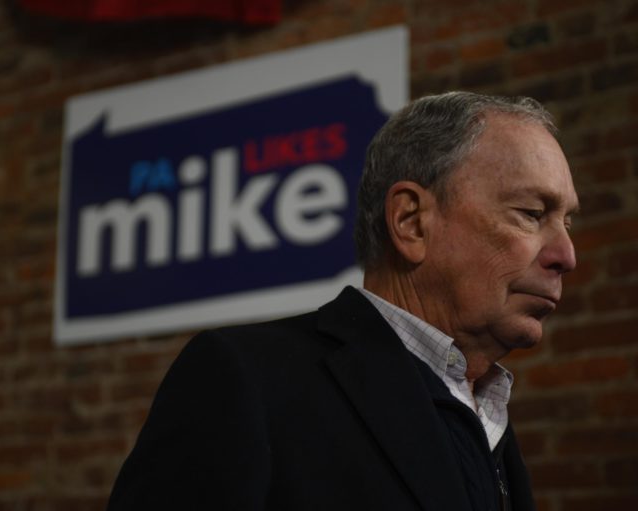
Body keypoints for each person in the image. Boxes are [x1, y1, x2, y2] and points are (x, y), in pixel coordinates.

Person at [106, 91, 578, 510]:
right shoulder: (244, 379)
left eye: (567, 222)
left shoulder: (487, 412)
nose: (567, 255)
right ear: (411, 222)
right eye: (532, 213)